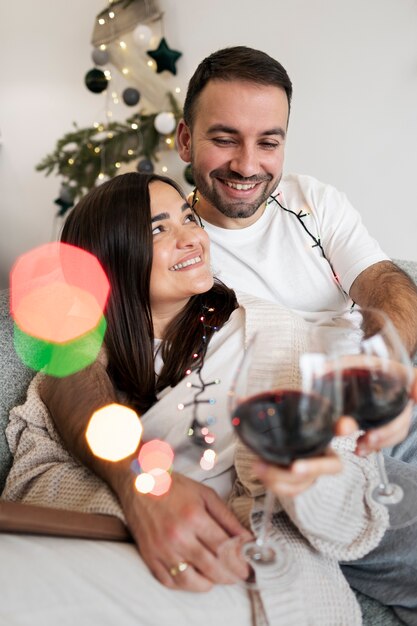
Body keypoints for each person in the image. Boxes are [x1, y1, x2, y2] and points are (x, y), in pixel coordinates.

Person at [40, 47, 417, 621]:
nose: (248, 164)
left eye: (268, 141)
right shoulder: (159, 258)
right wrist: (143, 478)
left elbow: (389, 286)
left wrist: (381, 365)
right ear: (186, 141)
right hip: (314, 437)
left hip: (375, 391)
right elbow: (71, 362)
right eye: (225, 139)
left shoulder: (312, 203)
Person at [2, 172, 389, 625]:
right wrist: (144, 504)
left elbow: (350, 521)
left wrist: (301, 474)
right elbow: (33, 486)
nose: (192, 238)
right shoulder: (82, 369)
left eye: (189, 219)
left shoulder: (275, 337)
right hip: (120, 550)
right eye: (158, 229)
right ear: (109, 260)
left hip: (239, 569)